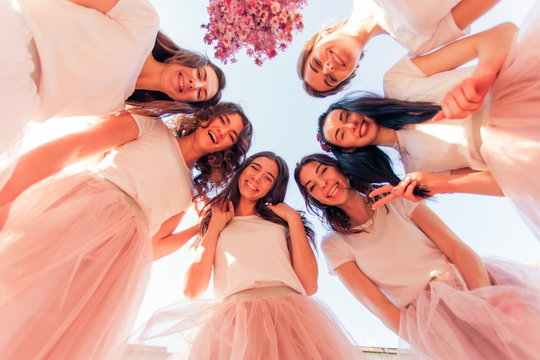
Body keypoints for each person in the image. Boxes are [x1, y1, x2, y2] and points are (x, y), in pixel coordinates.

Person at [0, 102, 252, 360]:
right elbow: (80, 146)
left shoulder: (187, 193)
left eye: (230, 135)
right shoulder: (151, 127)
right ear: (206, 117)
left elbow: (153, 247)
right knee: (23, 286)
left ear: (226, 150)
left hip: (116, 257)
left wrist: (198, 228)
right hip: (82, 212)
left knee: (59, 318)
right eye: (222, 121)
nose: (222, 132)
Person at [295, 153, 540, 360]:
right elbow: (378, 305)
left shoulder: (394, 198)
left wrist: (483, 299)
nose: (322, 184)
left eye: (323, 172)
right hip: (428, 321)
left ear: (343, 170)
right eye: (312, 186)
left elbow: (456, 249)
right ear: (313, 198)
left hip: (469, 286)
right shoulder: (334, 244)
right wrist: (426, 340)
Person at [318, 15, 540, 238]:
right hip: (528, 152)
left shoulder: (397, 80)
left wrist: (482, 77)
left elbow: (501, 34)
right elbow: (506, 185)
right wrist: (443, 184)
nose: (351, 125)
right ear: (348, 150)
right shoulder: (415, 172)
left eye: (346, 115)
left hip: (525, 86)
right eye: (341, 133)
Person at [131, 152, 364, 359]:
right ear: (243, 168)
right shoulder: (215, 223)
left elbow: (309, 285)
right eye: (255, 168)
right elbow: (192, 289)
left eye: (268, 178)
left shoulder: (282, 223)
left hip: (288, 317)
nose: (257, 178)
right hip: (234, 323)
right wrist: (213, 226)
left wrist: (293, 220)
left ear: (273, 188)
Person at [1, 0, 226, 189]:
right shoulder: (144, 22)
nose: (194, 83)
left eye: (199, 93)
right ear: (189, 59)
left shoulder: (116, 105)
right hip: (15, 43)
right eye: (200, 75)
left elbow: (84, 150)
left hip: (16, 109)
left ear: (184, 102)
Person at [298, 0, 499, 97]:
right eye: (331, 79)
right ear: (352, 71)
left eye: (316, 63)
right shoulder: (419, 43)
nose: (328, 69)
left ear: (321, 37)